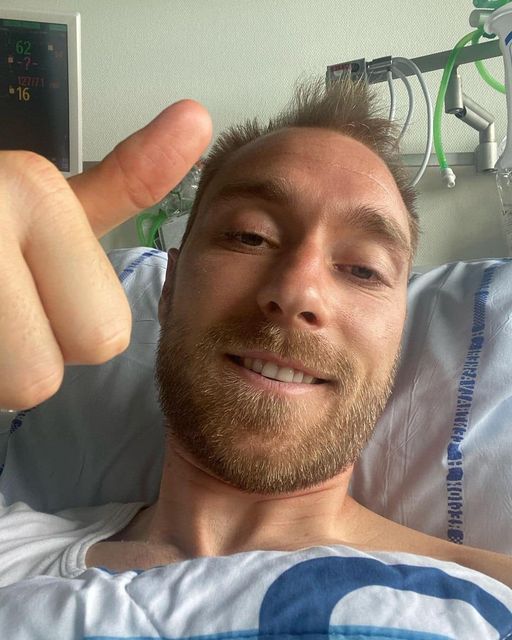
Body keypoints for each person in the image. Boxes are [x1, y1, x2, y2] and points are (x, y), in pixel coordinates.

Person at [0, 77, 511, 588]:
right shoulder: (13, 557)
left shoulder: (492, 593)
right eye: (251, 237)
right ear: (170, 286)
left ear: (398, 335)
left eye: (363, 269)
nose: (298, 292)